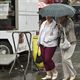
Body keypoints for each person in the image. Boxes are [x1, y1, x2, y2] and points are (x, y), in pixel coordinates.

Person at [57, 16, 77, 80]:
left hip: (71, 42)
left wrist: (61, 25)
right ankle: (66, 75)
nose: (60, 17)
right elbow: (60, 33)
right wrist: (58, 28)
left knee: (66, 58)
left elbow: (67, 30)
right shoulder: (60, 21)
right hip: (63, 43)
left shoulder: (70, 21)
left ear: (65, 15)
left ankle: (73, 73)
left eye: (61, 16)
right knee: (63, 60)